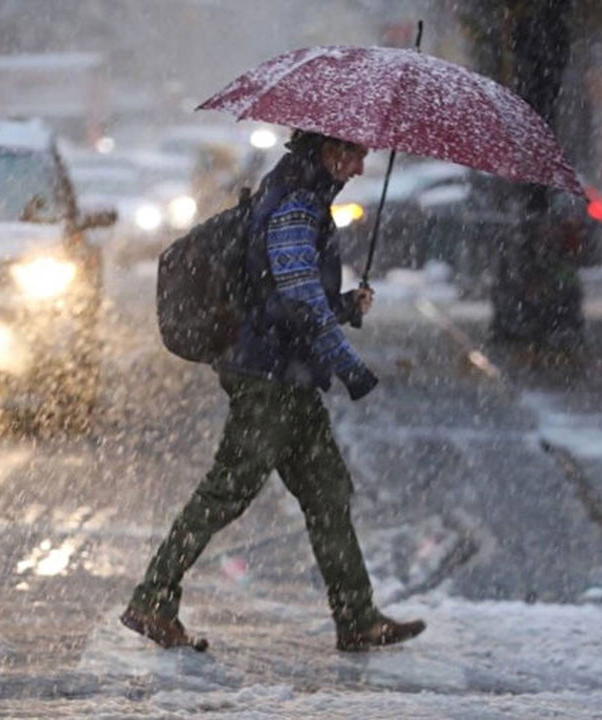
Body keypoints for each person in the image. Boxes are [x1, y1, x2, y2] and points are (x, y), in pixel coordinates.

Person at [121, 130, 426, 651]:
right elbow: (299, 302)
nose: (358, 168)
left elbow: (290, 296)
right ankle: (152, 600)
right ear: (328, 150)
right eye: (353, 155)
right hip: (267, 378)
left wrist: (347, 306)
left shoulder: (299, 197)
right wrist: (350, 367)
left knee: (327, 492)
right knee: (226, 492)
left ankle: (357, 617)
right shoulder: (295, 207)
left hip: (289, 377)